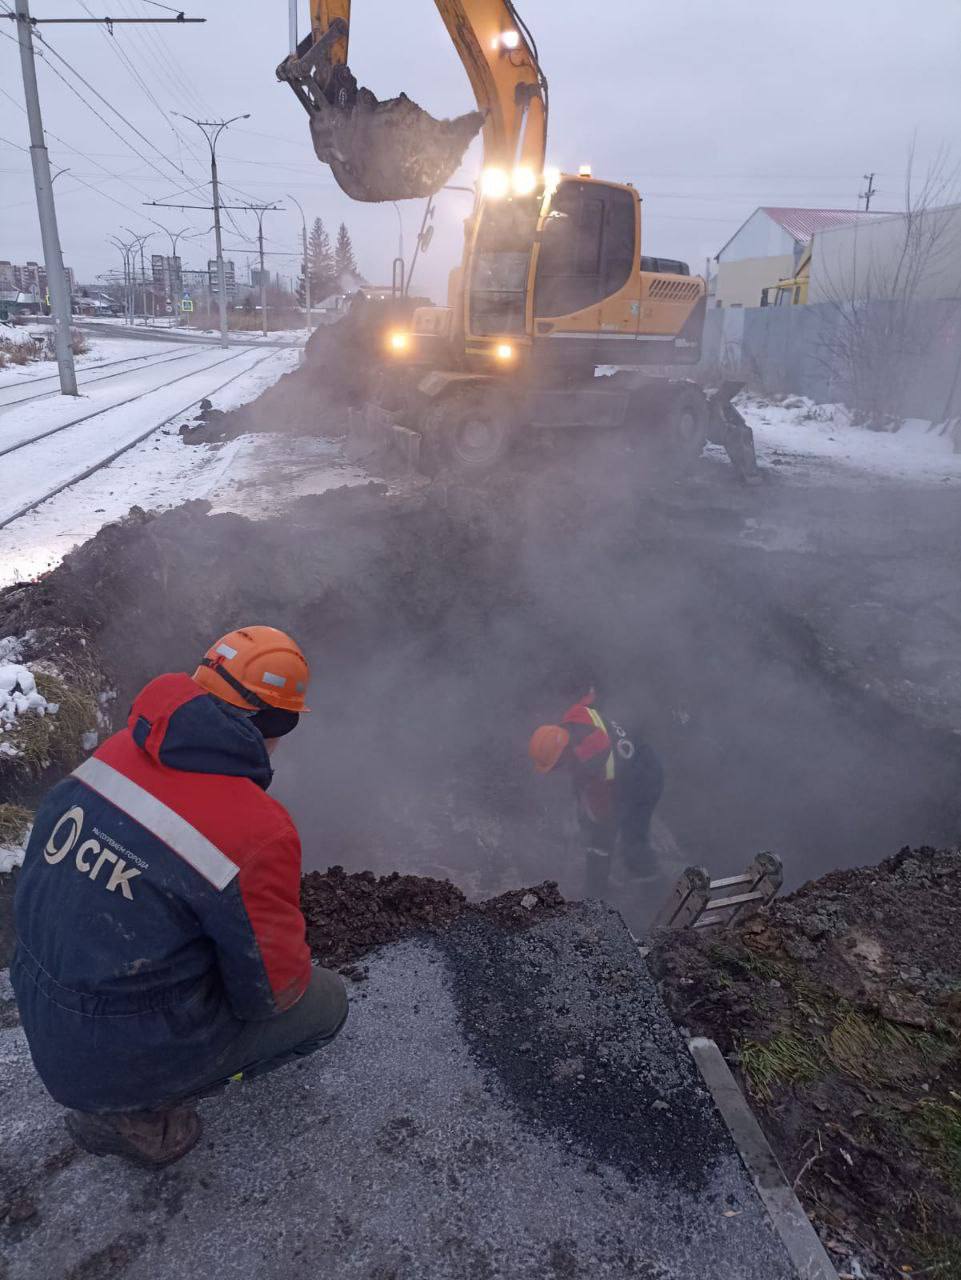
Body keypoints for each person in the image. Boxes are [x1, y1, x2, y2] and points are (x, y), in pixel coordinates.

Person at [11, 626, 347, 1169]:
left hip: (38, 1002)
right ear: (278, 722)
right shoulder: (258, 830)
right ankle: (137, 1115)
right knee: (325, 1005)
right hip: (115, 1053)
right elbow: (272, 995)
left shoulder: (114, 753)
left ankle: (113, 1084)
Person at [529, 689, 664, 898]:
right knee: (599, 834)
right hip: (640, 755)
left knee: (631, 842)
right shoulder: (575, 716)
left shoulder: (592, 762)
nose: (557, 772)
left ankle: (653, 893)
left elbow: (604, 814)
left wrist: (591, 832)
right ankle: (598, 888)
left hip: (643, 782)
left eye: (556, 767)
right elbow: (591, 697)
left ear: (563, 754)